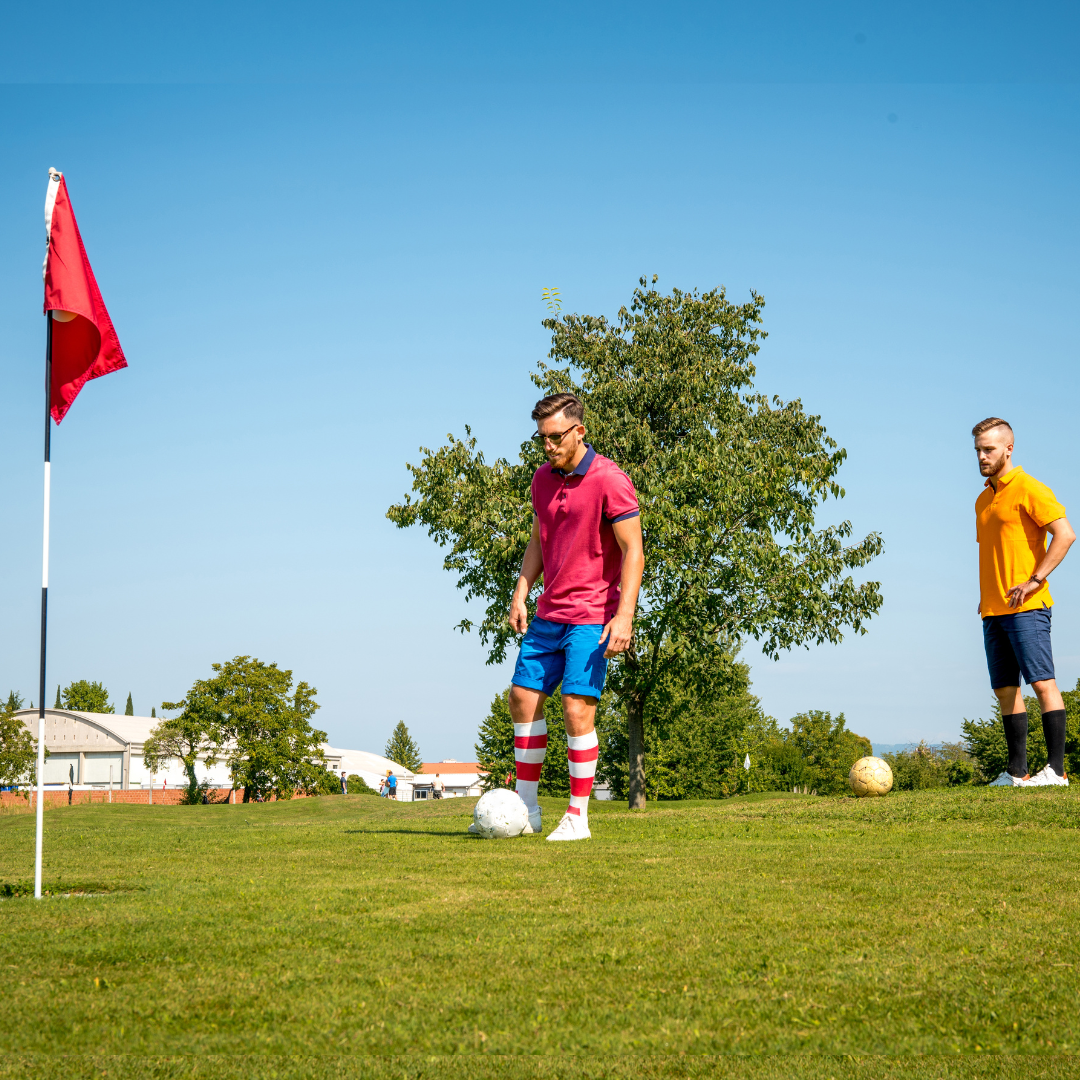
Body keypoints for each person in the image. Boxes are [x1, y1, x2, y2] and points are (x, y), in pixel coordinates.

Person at [474, 392, 643, 841]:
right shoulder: (541, 481)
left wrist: (624, 616)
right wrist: (521, 591)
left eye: (554, 437)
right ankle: (527, 810)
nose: (547, 446)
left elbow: (633, 550)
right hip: (549, 613)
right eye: (540, 438)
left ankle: (577, 816)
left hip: (593, 615)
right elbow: (538, 539)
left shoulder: (611, 480)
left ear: (579, 431)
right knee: (522, 699)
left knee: (576, 708)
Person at [973, 418, 1075, 787]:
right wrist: (985, 598)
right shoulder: (983, 499)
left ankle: (1057, 771)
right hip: (993, 609)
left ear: (1008, 448)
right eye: (978, 451)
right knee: (1004, 689)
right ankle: (1017, 772)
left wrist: (1035, 580)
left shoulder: (1029, 487)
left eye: (989, 449)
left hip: (1027, 608)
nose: (982, 456)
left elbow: (1065, 535)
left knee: (1042, 683)